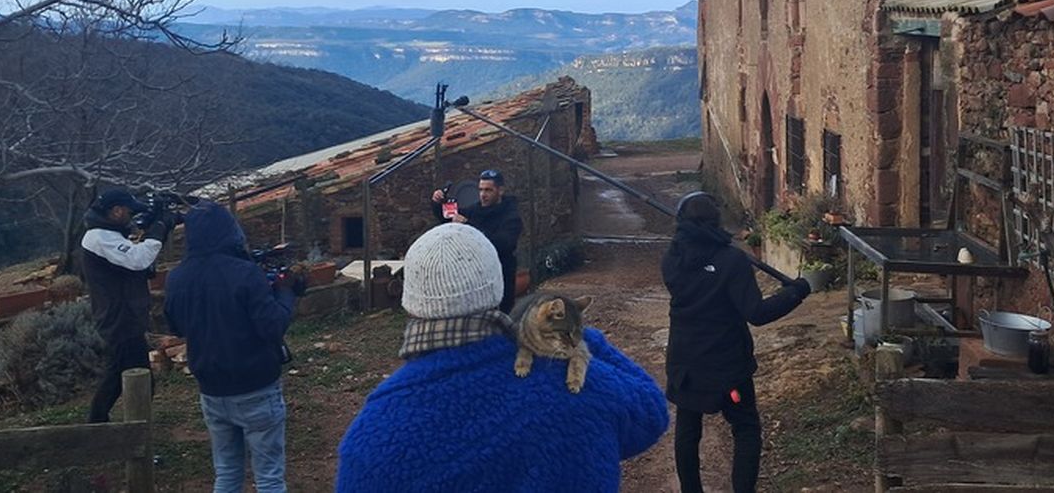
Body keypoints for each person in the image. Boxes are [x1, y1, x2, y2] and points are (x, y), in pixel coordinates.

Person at [336, 223, 668, 492]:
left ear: (409, 303)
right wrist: (586, 339)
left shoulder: (370, 438)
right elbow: (652, 412)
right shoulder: (576, 385)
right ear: (499, 287)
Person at [662, 191, 812, 493]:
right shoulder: (732, 261)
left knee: (688, 430)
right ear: (716, 222)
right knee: (745, 429)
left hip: (685, 361)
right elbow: (756, 313)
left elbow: (698, 263)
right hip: (727, 365)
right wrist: (795, 292)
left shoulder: (673, 258)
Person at [165, 201, 306, 493]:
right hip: (255, 387)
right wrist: (286, 293)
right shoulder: (245, 272)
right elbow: (272, 327)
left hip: (212, 389)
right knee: (268, 477)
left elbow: (176, 327)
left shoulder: (176, 277)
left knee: (227, 473)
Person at [80, 187, 177, 424]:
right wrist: (159, 228)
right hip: (120, 318)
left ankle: (99, 426)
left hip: (120, 316)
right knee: (140, 382)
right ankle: (133, 436)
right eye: (129, 212)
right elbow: (137, 259)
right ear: (116, 211)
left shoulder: (104, 234)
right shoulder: (100, 238)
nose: (131, 217)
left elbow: (130, 262)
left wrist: (156, 228)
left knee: (116, 376)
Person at [430, 169, 523, 313]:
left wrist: (469, 227)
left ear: (500, 191)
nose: (483, 195)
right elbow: (450, 218)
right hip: (477, 276)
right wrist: (438, 203)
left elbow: (503, 243)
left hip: (501, 273)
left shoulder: (511, 216)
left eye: (488, 190)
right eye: (480, 190)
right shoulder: (476, 210)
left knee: (502, 317)